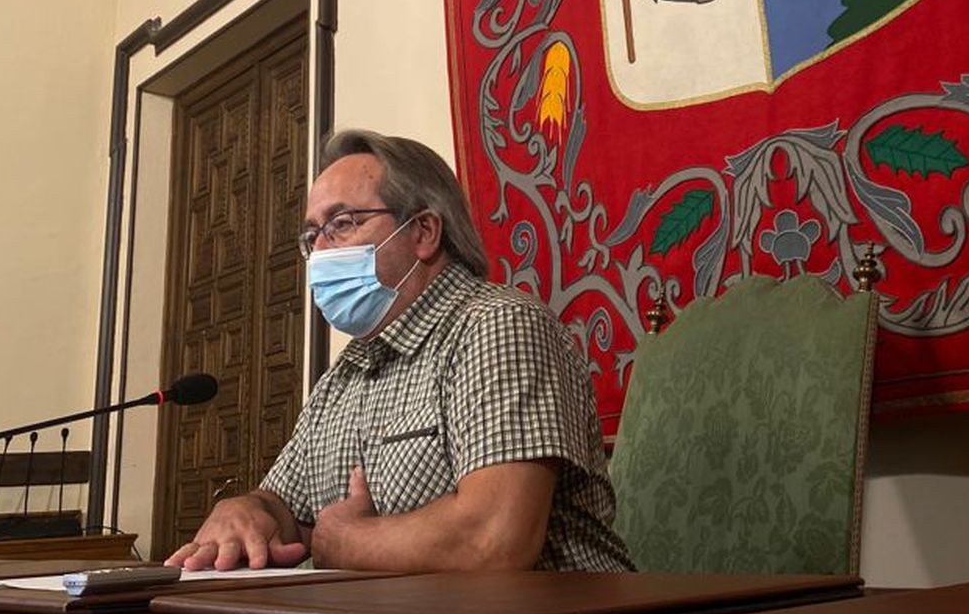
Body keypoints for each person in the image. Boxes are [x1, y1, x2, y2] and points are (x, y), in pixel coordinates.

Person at [165, 129, 632, 573]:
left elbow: (494, 541)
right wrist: (246, 511)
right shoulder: (344, 374)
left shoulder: (496, 324)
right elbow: (288, 508)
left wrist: (345, 542)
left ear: (424, 232)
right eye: (312, 237)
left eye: (342, 224)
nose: (321, 251)